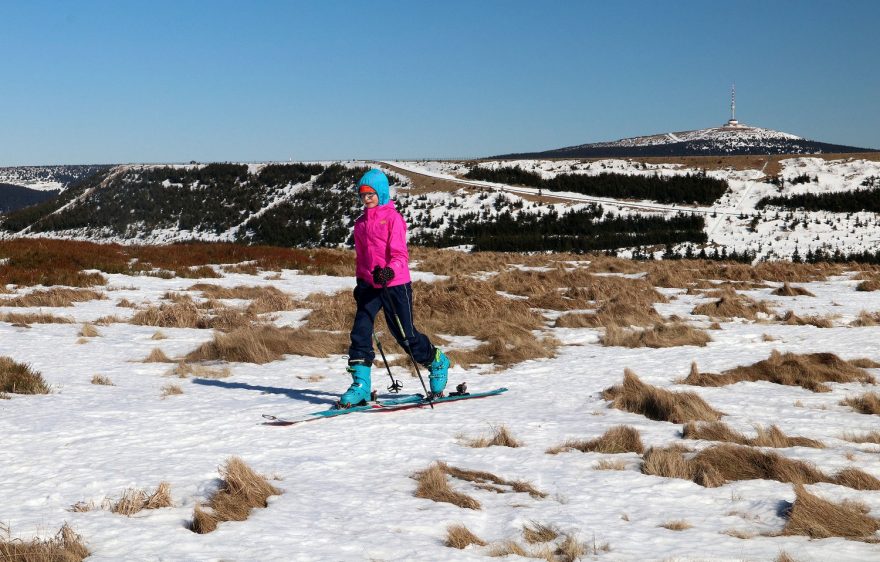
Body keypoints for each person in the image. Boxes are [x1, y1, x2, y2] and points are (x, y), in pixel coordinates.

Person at [339, 168, 450, 407]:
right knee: (360, 331)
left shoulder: (393, 219)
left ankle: (437, 361)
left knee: (405, 336)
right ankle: (361, 386)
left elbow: (400, 255)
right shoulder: (360, 224)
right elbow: (362, 259)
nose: (366, 198)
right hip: (370, 285)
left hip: (395, 284)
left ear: (381, 193)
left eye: (371, 194)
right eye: (362, 195)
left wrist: (389, 271)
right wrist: (360, 282)